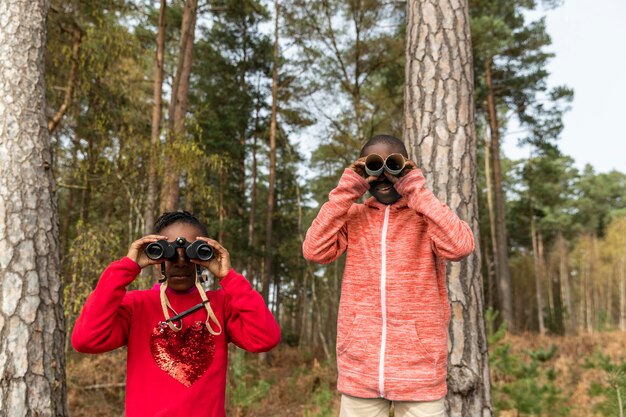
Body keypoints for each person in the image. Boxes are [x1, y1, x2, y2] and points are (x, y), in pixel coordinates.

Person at [302, 134, 474, 417]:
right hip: (360, 370)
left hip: (420, 372)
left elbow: (460, 246)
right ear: (360, 171)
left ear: (407, 169)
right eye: (372, 168)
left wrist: (415, 190)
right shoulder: (354, 216)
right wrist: (347, 190)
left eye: (391, 167)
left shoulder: (426, 216)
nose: (383, 177)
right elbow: (314, 250)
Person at [72, 211, 281, 417]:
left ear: (204, 254)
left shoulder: (220, 305)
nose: (181, 261)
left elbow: (265, 338)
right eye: (170, 251)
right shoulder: (136, 306)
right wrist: (127, 266)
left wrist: (229, 277)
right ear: (157, 256)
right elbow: (86, 340)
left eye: (191, 252)